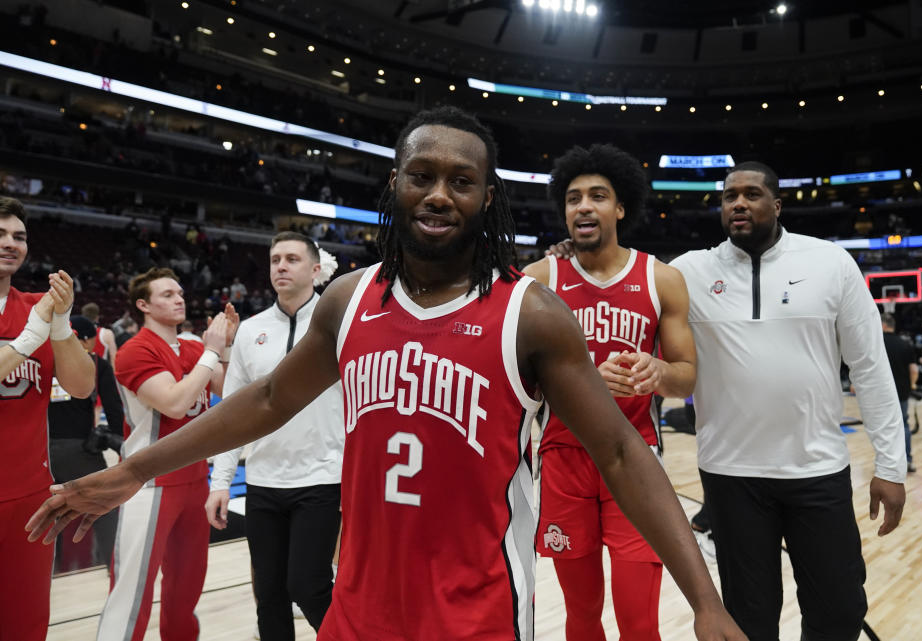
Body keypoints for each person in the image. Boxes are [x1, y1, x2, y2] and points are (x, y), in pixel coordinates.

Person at [27, 106, 745, 641]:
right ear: (395, 183)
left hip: (479, 616)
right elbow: (271, 396)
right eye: (422, 176)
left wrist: (706, 601)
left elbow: (621, 449)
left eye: (461, 181)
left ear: (486, 198)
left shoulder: (531, 313)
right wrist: (134, 470)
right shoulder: (348, 298)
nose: (439, 194)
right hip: (357, 614)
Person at [669, 162, 906, 641]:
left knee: (839, 610)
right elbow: (621, 280)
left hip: (817, 469)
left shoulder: (830, 262)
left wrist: (892, 467)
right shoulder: (688, 271)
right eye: (729, 196)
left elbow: (871, 368)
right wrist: (569, 256)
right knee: (749, 619)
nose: (738, 203)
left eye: (752, 194)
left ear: (776, 205)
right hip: (731, 475)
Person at [523, 144, 697, 641]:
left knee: (639, 623)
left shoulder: (661, 278)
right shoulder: (538, 282)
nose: (584, 206)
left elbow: (688, 376)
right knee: (580, 619)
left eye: (598, 196)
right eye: (573, 197)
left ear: (620, 208)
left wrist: (658, 371)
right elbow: (515, 379)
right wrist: (578, 378)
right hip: (563, 460)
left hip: (636, 458)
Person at [206, 233, 343, 640]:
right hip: (264, 482)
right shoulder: (251, 330)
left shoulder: (340, 323)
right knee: (269, 596)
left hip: (323, 478)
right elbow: (232, 414)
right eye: (275, 259)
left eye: (292, 259)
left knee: (308, 585)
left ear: (316, 270)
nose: (281, 266)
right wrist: (220, 483)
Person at [94, 267, 237, 641]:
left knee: (185, 591)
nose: (179, 299)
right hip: (150, 482)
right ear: (143, 305)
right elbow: (175, 403)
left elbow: (231, 388)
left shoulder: (192, 349)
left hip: (194, 482)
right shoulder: (133, 350)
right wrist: (211, 351)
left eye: (180, 293)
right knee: (132, 594)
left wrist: (228, 346)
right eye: (167, 295)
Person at [0, 196, 95, 641]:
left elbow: (81, 386)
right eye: (0, 234)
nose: (10, 243)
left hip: (27, 494)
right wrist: (30, 336)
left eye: (18, 236)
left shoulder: (39, 306)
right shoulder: (32, 320)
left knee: (26, 622)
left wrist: (58, 325)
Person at [48, 314, 125, 570]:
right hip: (80, 450)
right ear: (84, 340)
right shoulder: (95, 362)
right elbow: (114, 408)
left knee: (47, 515)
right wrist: (116, 439)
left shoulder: (43, 362)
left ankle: (45, 571)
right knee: (105, 506)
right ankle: (114, 567)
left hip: (42, 453)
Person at [880, 314, 919, 473]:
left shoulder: (877, 343)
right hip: (902, 392)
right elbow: (914, 370)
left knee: (883, 428)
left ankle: (886, 463)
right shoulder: (905, 344)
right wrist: (912, 385)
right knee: (903, 425)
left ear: (882, 325)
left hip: (881, 393)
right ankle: (908, 461)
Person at [81, 301, 118, 369]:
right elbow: (114, 357)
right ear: (97, 317)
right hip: (99, 374)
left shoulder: (75, 333)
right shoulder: (107, 333)